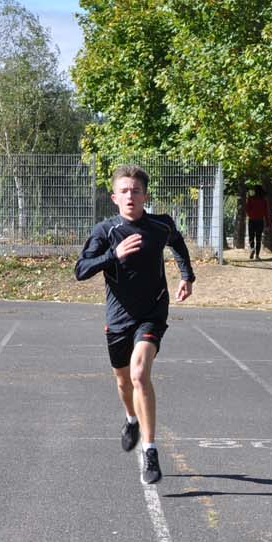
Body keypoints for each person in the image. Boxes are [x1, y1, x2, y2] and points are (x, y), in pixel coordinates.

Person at [75, 164, 194, 485]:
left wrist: (187, 275)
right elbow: (81, 270)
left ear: (146, 195)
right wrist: (113, 255)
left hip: (152, 312)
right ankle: (131, 419)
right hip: (118, 319)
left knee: (141, 374)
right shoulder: (105, 232)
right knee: (124, 383)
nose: (130, 196)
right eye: (124, 191)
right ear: (114, 197)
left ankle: (151, 449)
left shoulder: (160, 224)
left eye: (136, 191)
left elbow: (178, 242)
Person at [244, 186, 270, 260]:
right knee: (258, 238)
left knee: (251, 236)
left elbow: (247, 209)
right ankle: (257, 256)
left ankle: (252, 248)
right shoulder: (263, 200)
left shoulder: (250, 199)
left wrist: (250, 215)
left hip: (252, 220)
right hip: (260, 220)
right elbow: (266, 213)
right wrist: (268, 223)